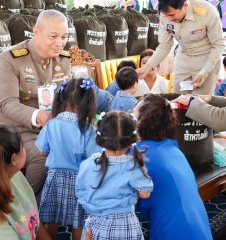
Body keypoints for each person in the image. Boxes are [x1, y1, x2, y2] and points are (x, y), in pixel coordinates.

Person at [0, 9, 72, 200]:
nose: (60, 42)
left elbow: (66, 97)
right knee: (45, 155)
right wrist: (40, 117)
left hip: (49, 127)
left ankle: (49, 206)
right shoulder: (10, 58)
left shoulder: (63, 60)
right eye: (53, 36)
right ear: (36, 32)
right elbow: (6, 104)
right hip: (14, 129)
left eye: (64, 36)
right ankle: (23, 204)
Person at [132, 94, 213, 240]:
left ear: (144, 122)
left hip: (171, 232)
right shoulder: (174, 149)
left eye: (133, 117)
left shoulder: (139, 154)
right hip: (200, 230)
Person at [35, 78, 101, 240]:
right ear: (87, 103)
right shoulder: (88, 129)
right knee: (78, 222)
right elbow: (94, 158)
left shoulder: (52, 123)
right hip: (79, 180)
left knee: (52, 218)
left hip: (55, 178)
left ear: (62, 99)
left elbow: (42, 151)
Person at [76, 111, 153, 240]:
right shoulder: (132, 166)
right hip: (126, 225)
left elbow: (80, 191)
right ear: (131, 142)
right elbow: (145, 194)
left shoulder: (88, 164)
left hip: (97, 223)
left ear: (99, 138)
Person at [136, 0, 225, 95]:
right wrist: (147, 67)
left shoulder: (207, 12)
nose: (169, 19)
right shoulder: (165, 15)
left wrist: (204, 72)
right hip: (184, 59)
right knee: (178, 98)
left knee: (200, 103)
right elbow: (164, 46)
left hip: (207, 60)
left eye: (172, 15)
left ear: (185, 5)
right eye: (166, 15)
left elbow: (218, 45)